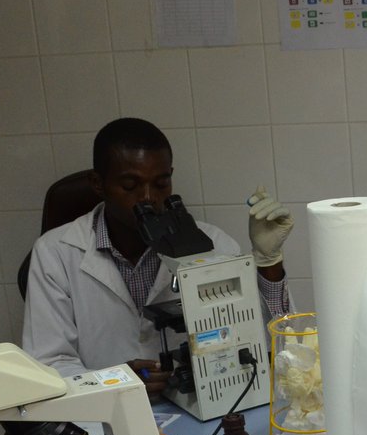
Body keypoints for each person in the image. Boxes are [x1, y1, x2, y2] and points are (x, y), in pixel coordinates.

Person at [23, 118, 295, 397]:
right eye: (130, 186)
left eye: (162, 184)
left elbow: (275, 348)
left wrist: (268, 262)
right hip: (103, 417)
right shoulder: (56, 252)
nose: (148, 198)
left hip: (200, 404)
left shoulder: (212, 243)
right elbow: (49, 365)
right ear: (98, 183)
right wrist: (117, 382)